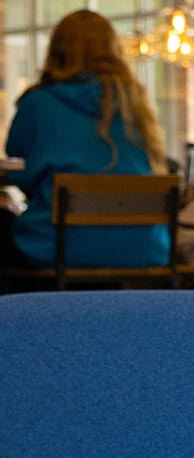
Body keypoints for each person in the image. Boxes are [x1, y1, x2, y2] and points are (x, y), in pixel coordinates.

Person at [2, 10, 169, 269]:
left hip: (60, 246)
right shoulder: (135, 103)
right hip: (142, 247)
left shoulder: (38, 102)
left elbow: (17, 156)